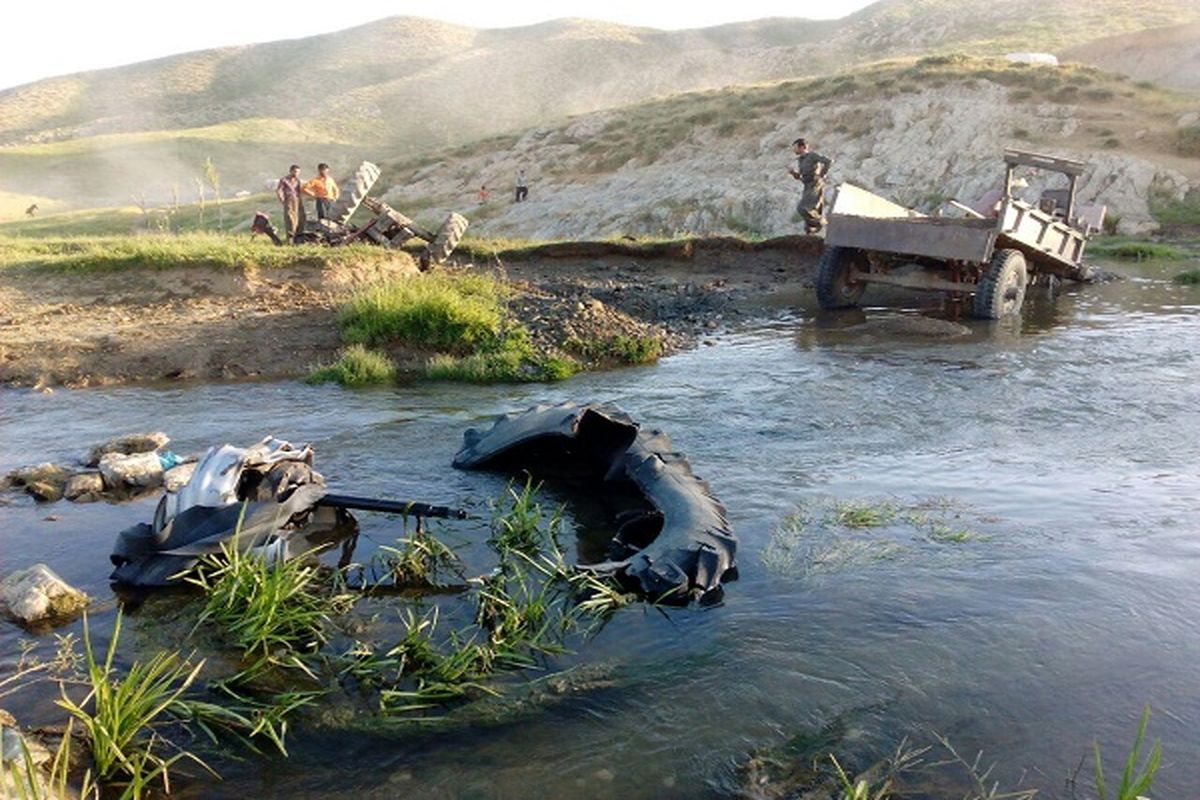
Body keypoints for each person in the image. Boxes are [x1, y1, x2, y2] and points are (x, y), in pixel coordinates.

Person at [788, 138, 832, 234]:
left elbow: (828, 161)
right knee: (809, 211)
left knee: (803, 208)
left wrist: (821, 175)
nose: (794, 150)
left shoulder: (812, 156)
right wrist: (793, 173)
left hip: (815, 185)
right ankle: (811, 232)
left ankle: (821, 223)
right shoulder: (800, 160)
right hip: (807, 185)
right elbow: (800, 177)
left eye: (795, 148)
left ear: (803, 147)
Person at [276, 164, 306, 243]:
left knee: (299, 219)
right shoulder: (284, 180)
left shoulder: (298, 181)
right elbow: (279, 190)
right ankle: (290, 240)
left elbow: (300, 191)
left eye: (298, 172)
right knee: (290, 220)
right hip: (289, 200)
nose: (297, 173)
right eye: (295, 171)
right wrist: (283, 200)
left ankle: (298, 238)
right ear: (291, 171)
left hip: (297, 200)